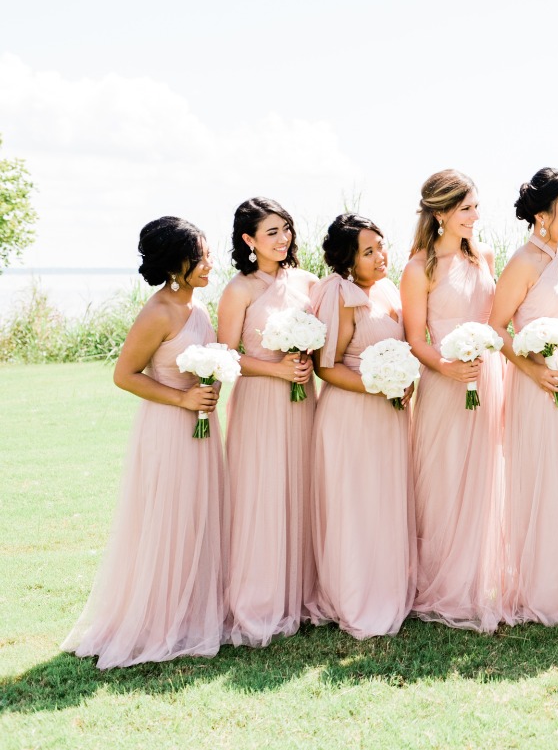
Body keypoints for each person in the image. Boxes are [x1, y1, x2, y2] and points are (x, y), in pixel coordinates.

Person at [63, 217, 225, 668]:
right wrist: (183, 397)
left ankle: (192, 615)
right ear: (178, 263)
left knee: (197, 516)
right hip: (168, 428)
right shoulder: (158, 311)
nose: (210, 262)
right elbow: (124, 375)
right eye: (202, 256)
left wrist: (212, 388)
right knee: (168, 519)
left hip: (202, 426)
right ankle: (158, 622)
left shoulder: (199, 309)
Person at [401, 170, 503, 633]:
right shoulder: (418, 266)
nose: (475, 216)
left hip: (487, 379)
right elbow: (415, 338)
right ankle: (439, 579)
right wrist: (445, 367)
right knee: (441, 477)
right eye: (466, 209)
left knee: (483, 475)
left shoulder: (484, 256)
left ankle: (474, 578)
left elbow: (495, 317)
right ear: (440, 214)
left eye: (476, 207)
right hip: (444, 382)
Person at [490, 168, 558, 626]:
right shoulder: (524, 262)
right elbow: (497, 327)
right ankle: (541, 588)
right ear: (542, 214)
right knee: (542, 477)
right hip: (538, 384)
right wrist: (532, 370)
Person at [217, 197, 319, 647]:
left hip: (302, 399)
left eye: (286, 229)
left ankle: (302, 593)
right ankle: (258, 599)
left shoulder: (308, 282)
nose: (283, 239)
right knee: (262, 491)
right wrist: (277, 370)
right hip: (259, 398)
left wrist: (306, 358)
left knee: (301, 486)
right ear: (248, 240)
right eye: (271, 232)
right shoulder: (239, 289)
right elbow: (226, 354)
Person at [308, 213, 416, 638]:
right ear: (348, 259)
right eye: (368, 251)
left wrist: (403, 383)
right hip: (351, 414)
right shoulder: (340, 294)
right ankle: (354, 597)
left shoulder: (389, 289)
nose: (380, 256)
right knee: (353, 504)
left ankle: (386, 586)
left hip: (389, 416)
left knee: (383, 500)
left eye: (381, 246)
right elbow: (326, 367)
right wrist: (378, 385)